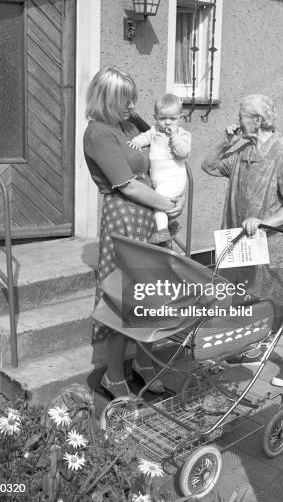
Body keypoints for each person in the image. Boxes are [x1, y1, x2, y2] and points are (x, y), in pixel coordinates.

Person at [83, 66, 184, 398]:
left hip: (147, 215)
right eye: (126, 101)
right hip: (124, 217)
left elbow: (164, 142)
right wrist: (168, 205)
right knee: (124, 299)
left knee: (150, 297)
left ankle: (143, 363)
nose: (133, 106)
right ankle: (113, 375)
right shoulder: (98, 133)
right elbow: (127, 186)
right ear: (109, 101)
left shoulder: (126, 124)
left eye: (133, 100)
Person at [202, 94, 283, 387]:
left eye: (241, 117)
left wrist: (265, 222)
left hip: (280, 246)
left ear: (258, 120)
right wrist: (225, 142)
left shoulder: (282, 150)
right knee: (252, 296)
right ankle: (256, 345)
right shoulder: (242, 150)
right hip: (249, 244)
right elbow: (208, 166)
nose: (237, 122)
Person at [128, 93, 191, 244]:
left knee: (158, 202)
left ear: (180, 118)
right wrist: (136, 142)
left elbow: (183, 153)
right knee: (161, 207)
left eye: (173, 119)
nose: (167, 123)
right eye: (163, 119)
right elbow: (145, 137)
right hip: (159, 180)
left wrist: (174, 137)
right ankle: (170, 226)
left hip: (174, 179)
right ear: (155, 117)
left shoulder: (183, 134)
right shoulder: (154, 131)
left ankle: (163, 232)